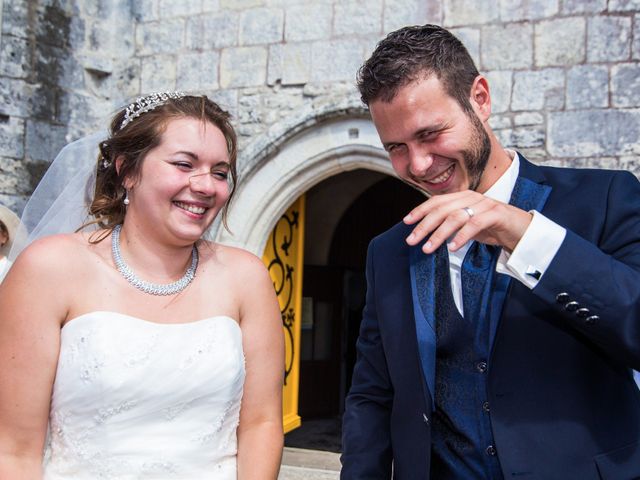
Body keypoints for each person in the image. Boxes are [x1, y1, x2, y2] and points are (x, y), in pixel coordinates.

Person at [341, 24, 640, 479]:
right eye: (396, 148)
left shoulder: (605, 200)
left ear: (480, 98)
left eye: (431, 134)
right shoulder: (389, 251)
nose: (417, 165)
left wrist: (520, 232)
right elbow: (372, 396)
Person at [0, 93, 284, 479]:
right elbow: (13, 448)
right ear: (126, 170)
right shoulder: (49, 269)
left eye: (220, 172)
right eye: (184, 164)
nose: (206, 186)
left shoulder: (246, 277)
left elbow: (261, 425)